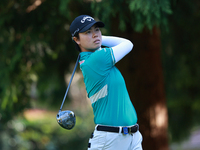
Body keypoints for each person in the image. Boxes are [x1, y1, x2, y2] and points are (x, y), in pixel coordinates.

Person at [69, 15, 143, 150]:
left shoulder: (96, 58)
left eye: (97, 30)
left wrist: (98, 39)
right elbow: (127, 44)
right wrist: (101, 39)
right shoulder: (96, 60)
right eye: (88, 32)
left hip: (132, 137)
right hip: (110, 141)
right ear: (76, 40)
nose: (95, 35)